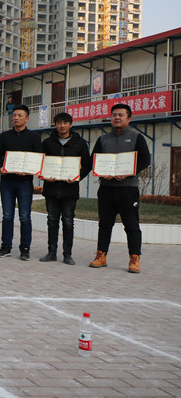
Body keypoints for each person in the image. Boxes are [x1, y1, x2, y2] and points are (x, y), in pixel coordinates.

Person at [89, 103, 151, 273]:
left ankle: (134, 258)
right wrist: (103, 174)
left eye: (121, 115)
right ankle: (101, 256)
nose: (117, 118)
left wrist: (128, 172)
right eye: (114, 115)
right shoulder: (103, 139)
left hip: (128, 189)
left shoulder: (137, 137)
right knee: (104, 224)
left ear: (128, 119)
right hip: (106, 188)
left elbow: (145, 160)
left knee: (131, 225)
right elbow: (94, 160)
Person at [39, 112, 92, 265]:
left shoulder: (80, 143)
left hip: (70, 190)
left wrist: (77, 177)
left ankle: (67, 254)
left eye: (65, 123)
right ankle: (51, 252)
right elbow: (40, 162)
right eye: (59, 122)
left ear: (70, 124)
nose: (62, 126)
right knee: (52, 220)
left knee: (68, 221)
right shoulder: (47, 143)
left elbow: (87, 165)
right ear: (55, 124)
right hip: (51, 188)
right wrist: (44, 176)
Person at [0, 104, 42, 260]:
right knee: (7, 215)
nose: (16, 118)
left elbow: (38, 158)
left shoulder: (34, 137)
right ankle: (6, 246)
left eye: (19, 115)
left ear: (27, 118)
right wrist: (0, 167)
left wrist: (29, 170)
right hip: (7, 182)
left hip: (25, 182)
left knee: (24, 216)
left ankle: (25, 248)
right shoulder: (4, 136)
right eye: (14, 115)